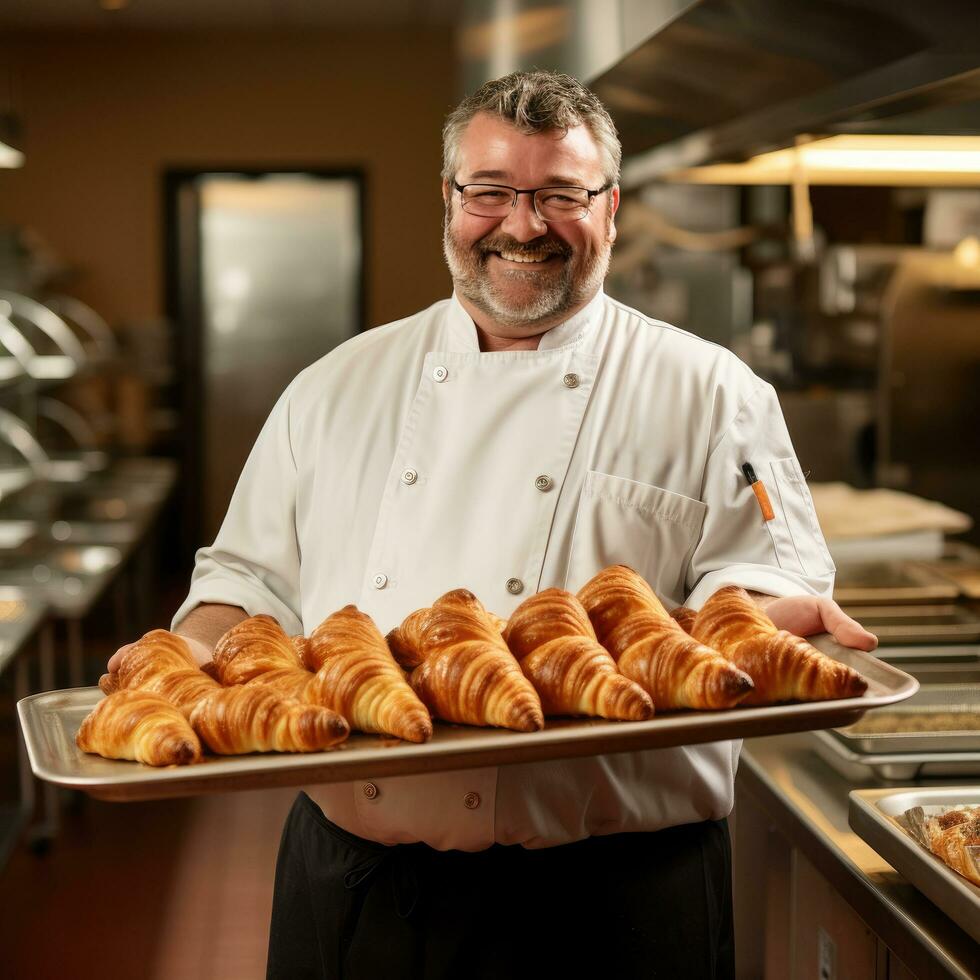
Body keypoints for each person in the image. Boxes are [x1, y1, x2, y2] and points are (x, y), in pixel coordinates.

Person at [111, 70, 876, 979]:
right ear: (449, 200)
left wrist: (760, 617)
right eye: (492, 192)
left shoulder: (713, 394)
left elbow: (763, 580)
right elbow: (243, 586)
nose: (524, 225)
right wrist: (185, 664)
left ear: (612, 207)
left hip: (622, 899)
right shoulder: (332, 389)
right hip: (359, 888)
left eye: (561, 194)